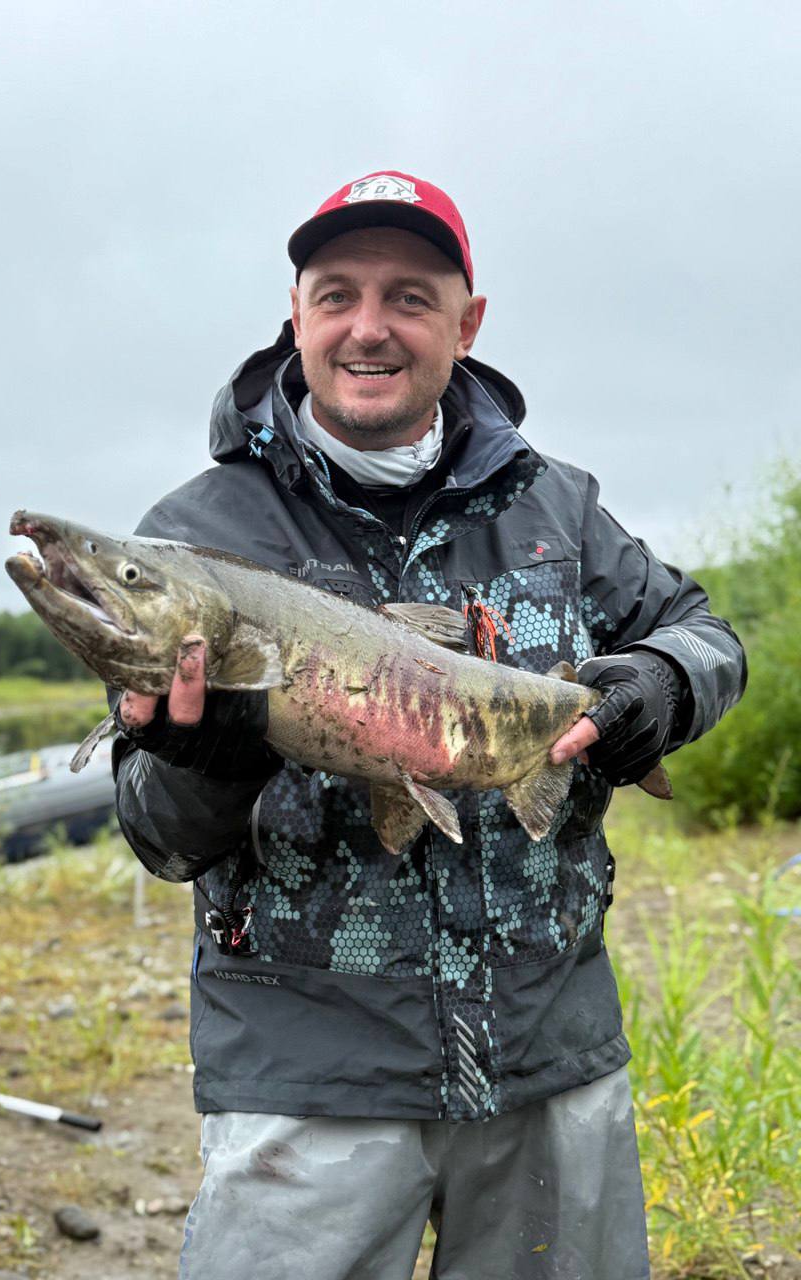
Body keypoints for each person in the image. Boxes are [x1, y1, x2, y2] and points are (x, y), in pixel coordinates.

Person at [108, 171, 746, 1280]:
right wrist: (205, 760)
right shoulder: (190, 542)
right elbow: (159, 838)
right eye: (337, 292)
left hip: (551, 1054)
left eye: (409, 295)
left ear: (468, 320)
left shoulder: (562, 507)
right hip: (306, 1077)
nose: (369, 325)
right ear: (296, 312)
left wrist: (657, 686)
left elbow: (706, 638)